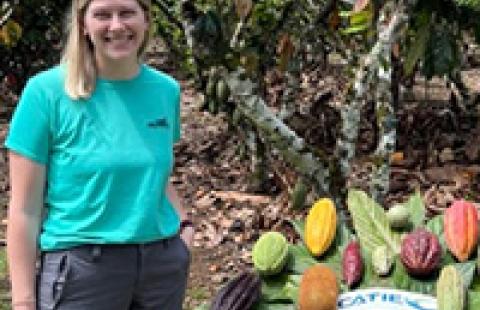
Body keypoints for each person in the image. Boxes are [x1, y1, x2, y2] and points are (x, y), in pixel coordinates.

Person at [4, 0, 194, 309]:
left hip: (161, 269)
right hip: (83, 272)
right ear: (83, 24)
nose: (117, 26)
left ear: (146, 20)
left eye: (127, 13)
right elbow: (24, 210)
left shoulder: (165, 91)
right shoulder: (46, 93)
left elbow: (154, 173)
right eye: (103, 15)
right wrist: (24, 301)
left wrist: (185, 229)